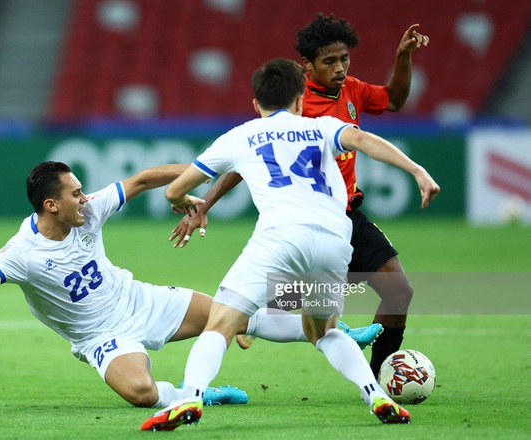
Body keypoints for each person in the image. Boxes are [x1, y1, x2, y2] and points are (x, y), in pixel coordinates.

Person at [141, 58, 439, 430]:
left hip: (280, 236)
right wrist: (417, 170)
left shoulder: (240, 135)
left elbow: (175, 189)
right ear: (300, 100)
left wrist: (188, 203)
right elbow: (363, 139)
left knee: (220, 322)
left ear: (256, 104)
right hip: (334, 240)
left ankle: (189, 398)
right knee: (324, 330)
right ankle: (374, 393)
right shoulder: (322, 127)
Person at [0, 161, 377, 412]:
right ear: (51, 205)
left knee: (237, 311)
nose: (85, 197)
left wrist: (191, 184)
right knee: (142, 394)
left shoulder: (88, 211)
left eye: (82, 189)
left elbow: (143, 180)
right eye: (75, 193)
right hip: (101, 337)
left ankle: (330, 326)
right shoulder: (22, 252)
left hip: (141, 300)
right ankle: (191, 396)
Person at [169, 13, 430, 376]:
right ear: (307, 65)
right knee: (312, 298)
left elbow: (395, 100)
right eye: (329, 61)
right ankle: (254, 316)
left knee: (398, 290)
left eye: (344, 59)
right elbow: (244, 160)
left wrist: (403, 57)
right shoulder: (295, 101)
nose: (340, 68)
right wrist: (205, 203)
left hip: (347, 214)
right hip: (306, 213)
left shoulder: (351, 89)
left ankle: (381, 375)